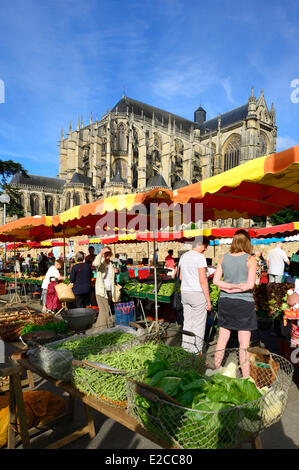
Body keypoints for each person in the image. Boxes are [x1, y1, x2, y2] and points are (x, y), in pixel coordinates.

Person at [213, 230, 257, 377]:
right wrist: (237, 287)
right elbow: (250, 285)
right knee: (244, 343)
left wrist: (229, 288)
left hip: (225, 301)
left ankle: (216, 369)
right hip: (244, 303)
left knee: (222, 338)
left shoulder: (223, 257)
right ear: (247, 242)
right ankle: (246, 377)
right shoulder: (250, 259)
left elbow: (215, 281)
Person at [178, 236, 212, 353]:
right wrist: (208, 300)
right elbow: (203, 280)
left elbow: (181, 276)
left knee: (187, 323)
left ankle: (185, 349)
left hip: (185, 292)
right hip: (197, 293)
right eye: (205, 246)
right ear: (198, 244)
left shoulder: (183, 256)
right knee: (199, 325)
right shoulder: (200, 257)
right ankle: (196, 353)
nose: (205, 249)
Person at [92, 247, 118, 331]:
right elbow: (95, 264)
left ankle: (98, 329)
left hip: (110, 290)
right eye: (105, 253)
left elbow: (114, 274)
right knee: (105, 310)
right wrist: (101, 253)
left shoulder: (111, 264)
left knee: (104, 310)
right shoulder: (100, 263)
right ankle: (104, 329)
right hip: (101, 291)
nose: (107, 255)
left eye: (109, 253)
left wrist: (118, 271)